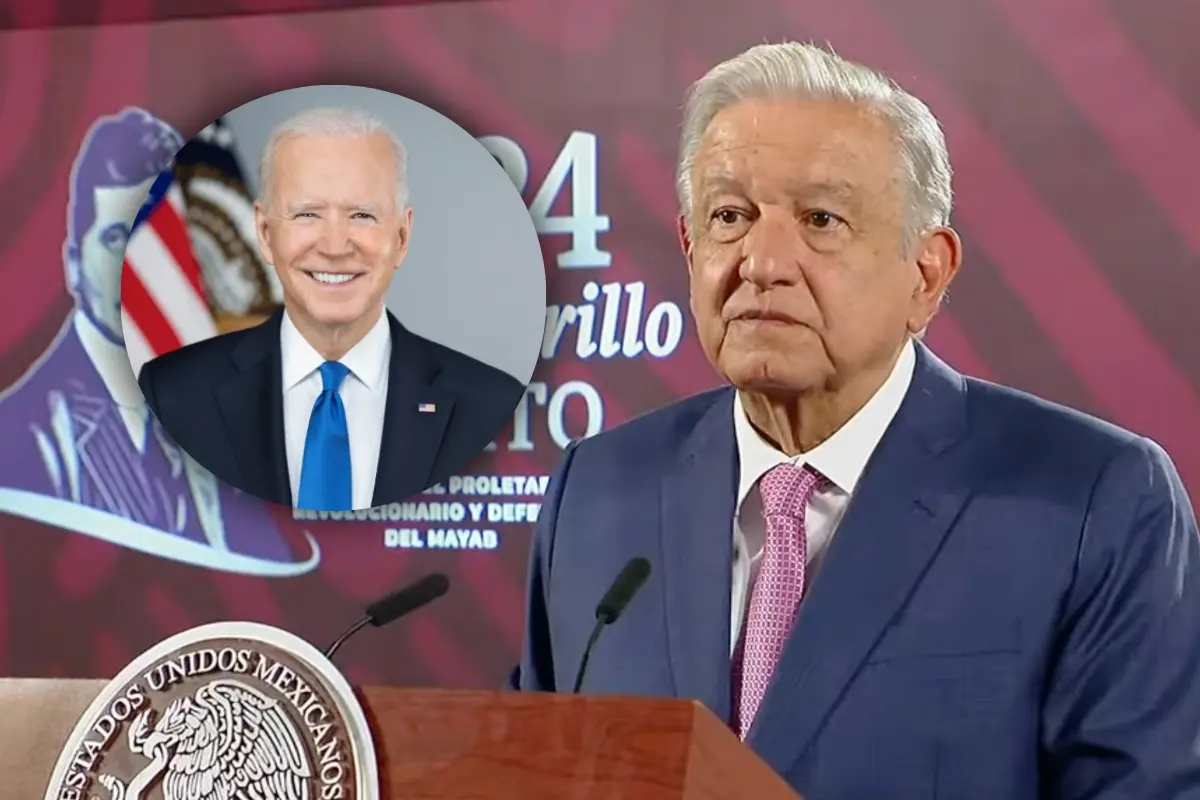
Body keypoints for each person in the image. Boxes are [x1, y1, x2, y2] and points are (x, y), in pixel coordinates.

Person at [511, 42, 1200, 798]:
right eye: (730, 216)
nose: (762, 262)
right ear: (689, 245)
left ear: (927, 273)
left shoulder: (1093, 501)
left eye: (821, 219)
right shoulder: (598, 493)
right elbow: (527, 768)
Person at [138, 106, 524, 512]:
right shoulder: (172, 395)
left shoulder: (490, 407)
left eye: (362, 215)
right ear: (266, 234)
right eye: (307, 214)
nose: (335, 246)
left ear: (402, 236)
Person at [0, 108, 309, 575]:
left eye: (151, 239)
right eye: (114, 239)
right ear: (73, 262)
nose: (135, 269)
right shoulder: (20, 434)